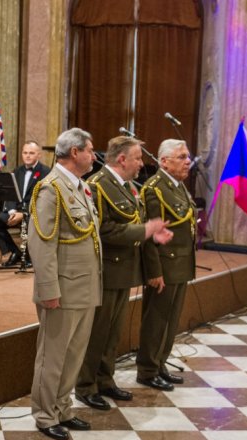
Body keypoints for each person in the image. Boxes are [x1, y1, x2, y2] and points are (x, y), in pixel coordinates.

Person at [75, 136, 172, 410]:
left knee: (112, 333)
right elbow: (103, 230)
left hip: (125, 270)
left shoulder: (128, 187)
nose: (142, 164)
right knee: (98, 332)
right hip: (106, 270)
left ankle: (105, 380)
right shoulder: (97, 186)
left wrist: (150, 232)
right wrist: (144, 231)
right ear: (122, 159)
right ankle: (85, 385)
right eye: (138, 158)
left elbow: (134, 221)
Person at [27, 128, 101, 440]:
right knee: (53, 356)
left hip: (84, 287)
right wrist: (49, 291)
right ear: (75, 153)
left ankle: (62, 407)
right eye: (91, 150)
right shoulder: (50, 189)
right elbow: (41, 245)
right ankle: (45, 415)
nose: (94, 156)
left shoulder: (80, 187)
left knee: (72, 357)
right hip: (63, 290)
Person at [137, 139, 196, 391]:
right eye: (181, 157)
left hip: (181, 263)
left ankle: (160, 363)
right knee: (156, 320)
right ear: (164, 161)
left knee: (171, 321)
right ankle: (148, 369)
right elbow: (150, 236)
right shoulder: (155, 188)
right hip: (165, 265)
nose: (187, 161)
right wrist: (154, 271)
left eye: (187, 156)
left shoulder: (178, 186)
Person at [0, 140, 50, 267]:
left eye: (31, 153)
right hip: (15, 210)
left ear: (39, 155)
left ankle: (28, 257)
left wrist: (24, 214)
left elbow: (43, 199)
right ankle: (14, 252)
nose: (27, 156)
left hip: (34, 212)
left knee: (30, 222)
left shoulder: (46, 172)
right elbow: (10, 193)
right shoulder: (17, 171)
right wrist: (12, 211)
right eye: (25, 153)